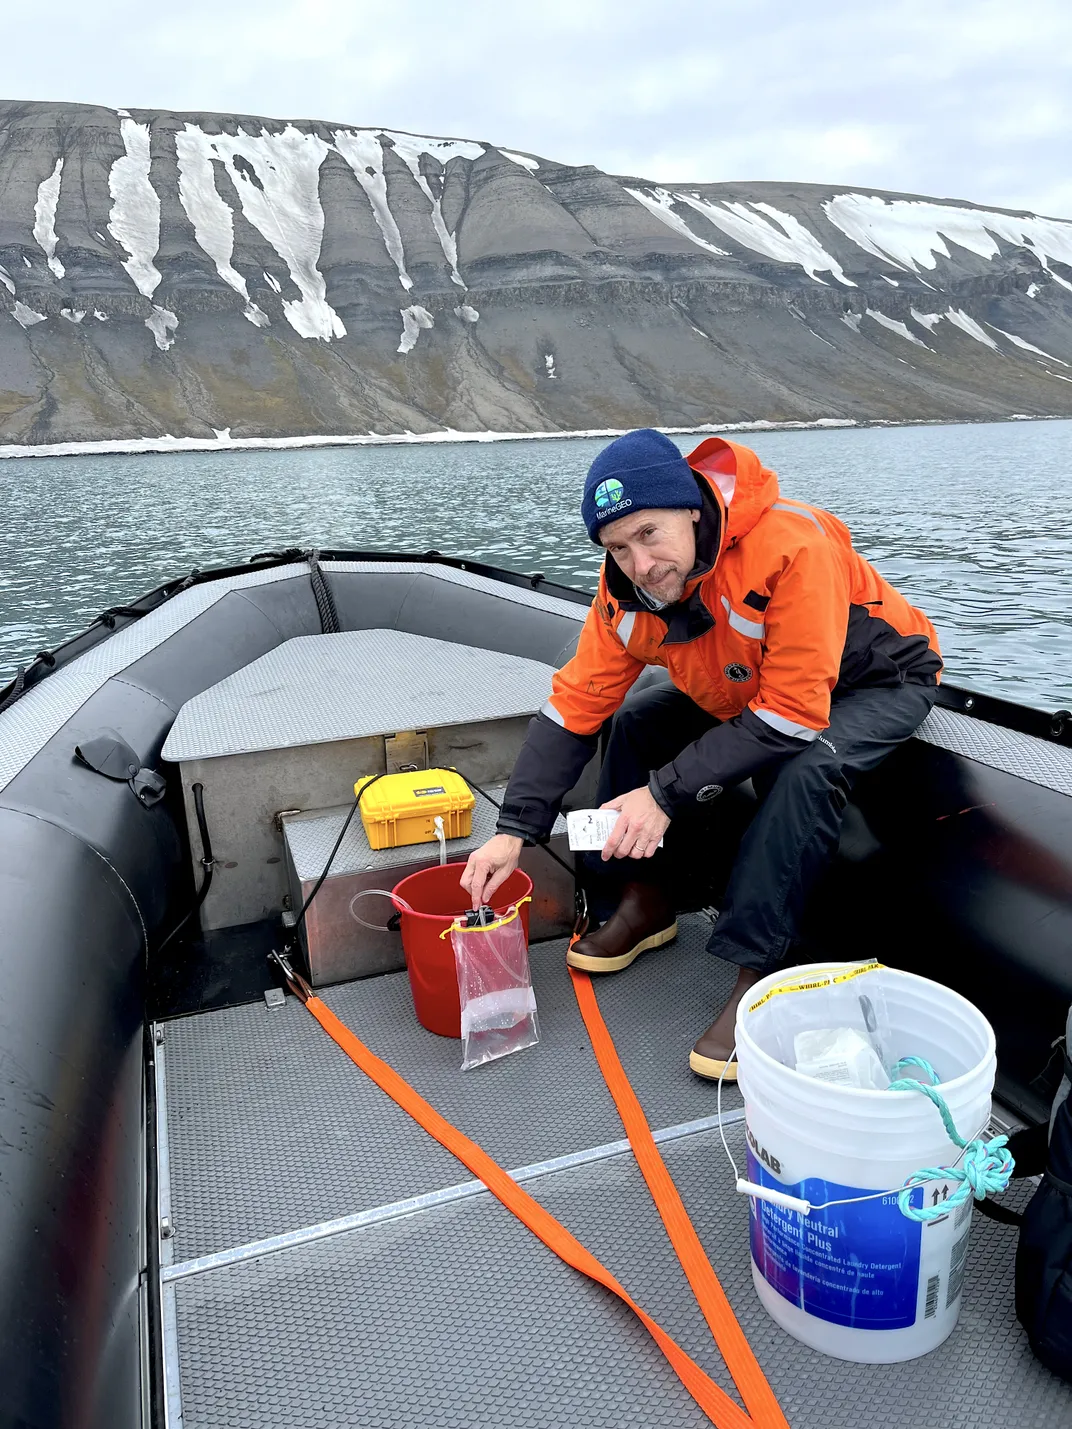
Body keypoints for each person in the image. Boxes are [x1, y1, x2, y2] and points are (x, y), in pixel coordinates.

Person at [461, 429, 941, 1080]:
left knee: (805, 766)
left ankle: (766, 976)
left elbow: (795, 714)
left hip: (871, 681)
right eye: (618, 547)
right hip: (743, 686)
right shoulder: (621, 597)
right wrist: (513, 832)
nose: (640, 562)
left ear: (691, 505)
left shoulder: (793, 545)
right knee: (633, 723)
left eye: (649, 533)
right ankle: (647, 900)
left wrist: (664, 794)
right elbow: (575, 705)